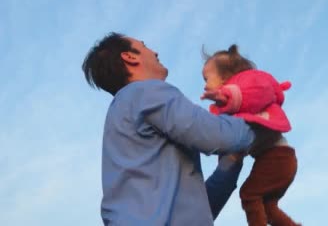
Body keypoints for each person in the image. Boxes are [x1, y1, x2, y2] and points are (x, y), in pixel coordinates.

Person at [82, 32, 255, 226]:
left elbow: (198, 214)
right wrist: (258, 118)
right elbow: (220, 136)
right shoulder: (146, 92)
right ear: (130, 57)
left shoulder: (123, 114)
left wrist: (230, 164)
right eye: (144, 46)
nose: (154, 51)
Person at [201, 45, 300, 226]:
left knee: (249, 194)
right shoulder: (231, 109)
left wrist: (227, 96)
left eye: (207, 78)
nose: (205, 84)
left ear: (224, 77)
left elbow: (250, 94)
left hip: (278, 157)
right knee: (268, 207)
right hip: (280, 159)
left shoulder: (248, 89)